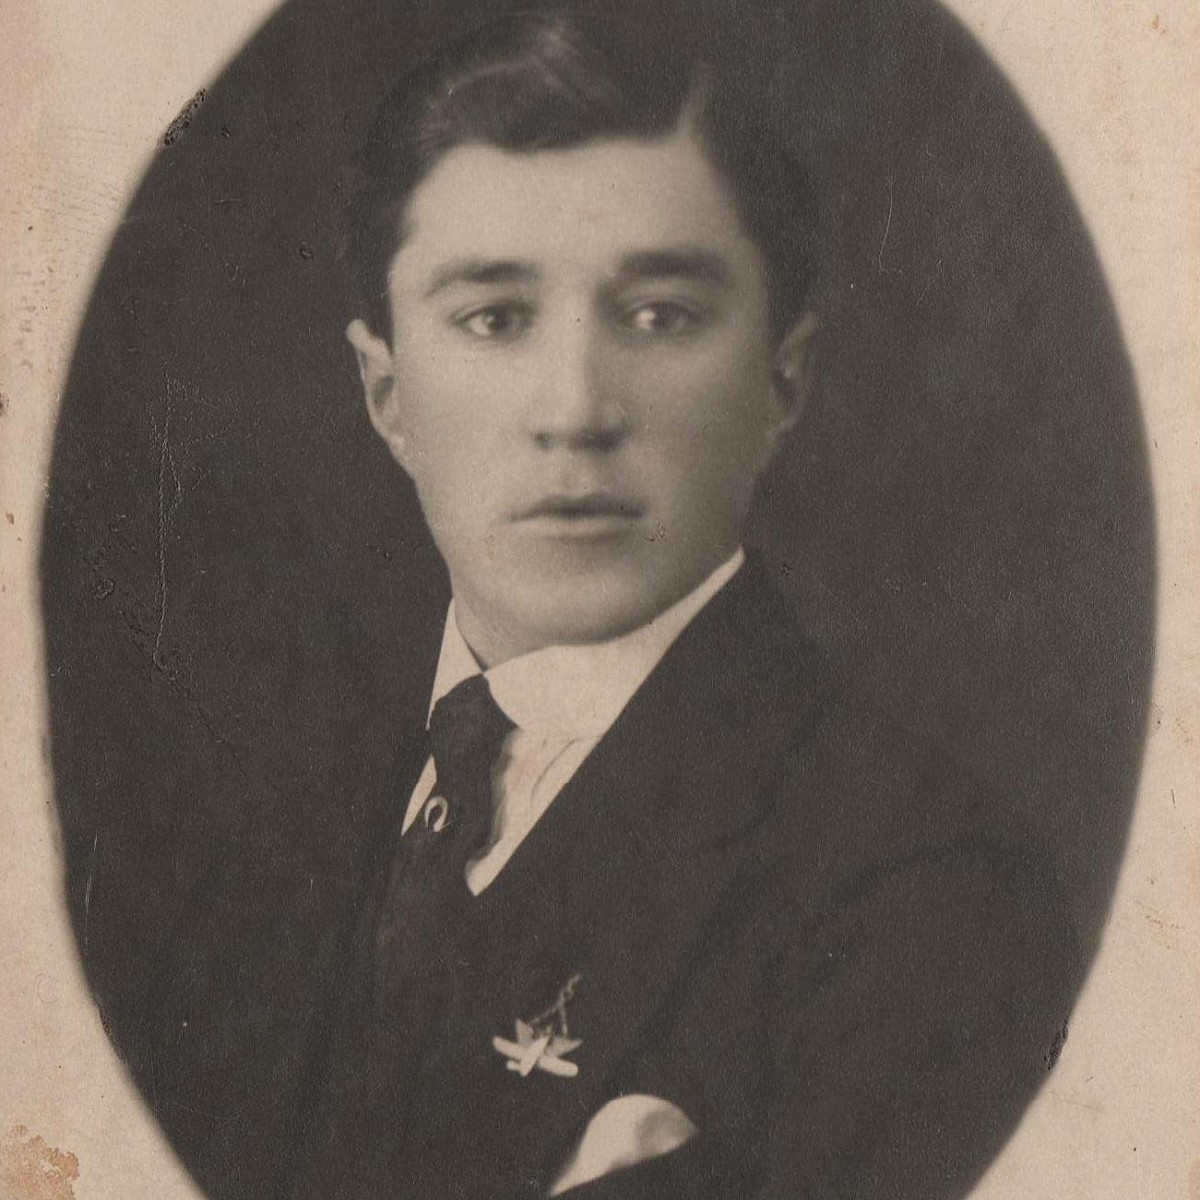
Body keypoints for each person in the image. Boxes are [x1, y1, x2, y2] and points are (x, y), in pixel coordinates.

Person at [105, 7, 1082, 1198]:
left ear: (782, 384)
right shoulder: (251, 840)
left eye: (660, 316)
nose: (573, 408)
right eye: (494, 318)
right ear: (387, 394)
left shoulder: (927, 902)